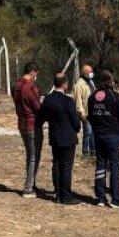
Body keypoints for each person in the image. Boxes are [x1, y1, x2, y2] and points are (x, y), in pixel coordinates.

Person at [87, 70, 119, 208]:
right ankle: (115, 198)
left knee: (100, 166)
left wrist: (97, 129)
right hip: (114, 135)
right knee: (115, 167)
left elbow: (90, 117)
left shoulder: (92, 97)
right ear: (110, 81)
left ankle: (100, 198)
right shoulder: (116, 97)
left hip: (98, 135)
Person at [38, 73, 82, 205]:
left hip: (55, 136)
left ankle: (58, 194)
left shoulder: (48, 99)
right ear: (64, 84)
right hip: (68, 137)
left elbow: (42, 117)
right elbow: (76, 122)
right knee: (66, 167)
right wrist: (76, 128)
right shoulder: (68, 101)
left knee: (56, 165)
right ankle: (66, 196)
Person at [11, 62, 43, 198]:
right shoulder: (30, 87)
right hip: (32, 125)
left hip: (22, 123)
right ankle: (28, 188)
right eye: (36, 74)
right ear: (32, 73)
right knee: (33, 157)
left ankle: (32, 183)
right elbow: (38, 107)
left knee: (31, 155)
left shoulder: (16, 85)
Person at [73, 63, 96, 158]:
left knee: (93, 132)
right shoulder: (79, 84)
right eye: (90, 71)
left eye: (91, 71)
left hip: (94, 111)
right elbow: (78, 100)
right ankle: (85, 153)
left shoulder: (91, 82)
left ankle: (93, 151)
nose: (91, 73)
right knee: (88, 132)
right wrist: (81, 113)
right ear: (85, 73)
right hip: (85, 113)